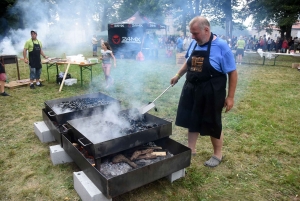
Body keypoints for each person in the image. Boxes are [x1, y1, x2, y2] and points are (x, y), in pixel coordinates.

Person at [170, 16, 237, 167]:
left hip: (212, 91)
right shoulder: (194, 43)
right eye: (191, 33)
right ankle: (191, 149)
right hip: (192, 88)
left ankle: (217, 154)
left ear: (206, 30)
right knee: (192, 119)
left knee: (213, 121)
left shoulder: (222, 46)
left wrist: (230, 97)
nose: (192, 37)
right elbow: (189, 62)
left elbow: (232, 72)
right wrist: (178, 75)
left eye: (195, 33)